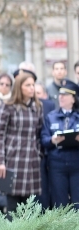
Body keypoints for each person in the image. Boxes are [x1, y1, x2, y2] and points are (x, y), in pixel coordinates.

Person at [0, 70, 43, 213]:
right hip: (12, 160)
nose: (32, 88)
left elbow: (40, 133)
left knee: (29, 208)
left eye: (33, 85)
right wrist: (0, 161)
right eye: (28, 85)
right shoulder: (8, 106)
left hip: (31, 161)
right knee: (12, 207)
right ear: (19, 87)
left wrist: (38, 154)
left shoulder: (37, 107)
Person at [41, 80, 79, 208]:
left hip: (76, 163)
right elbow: (43, 140)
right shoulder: (51, 117)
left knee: (77, 203)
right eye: (60, 94)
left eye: (65, 95)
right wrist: (52, 140)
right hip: (57, 164)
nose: (61, 97)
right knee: (59, 203)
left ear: (73, 99)